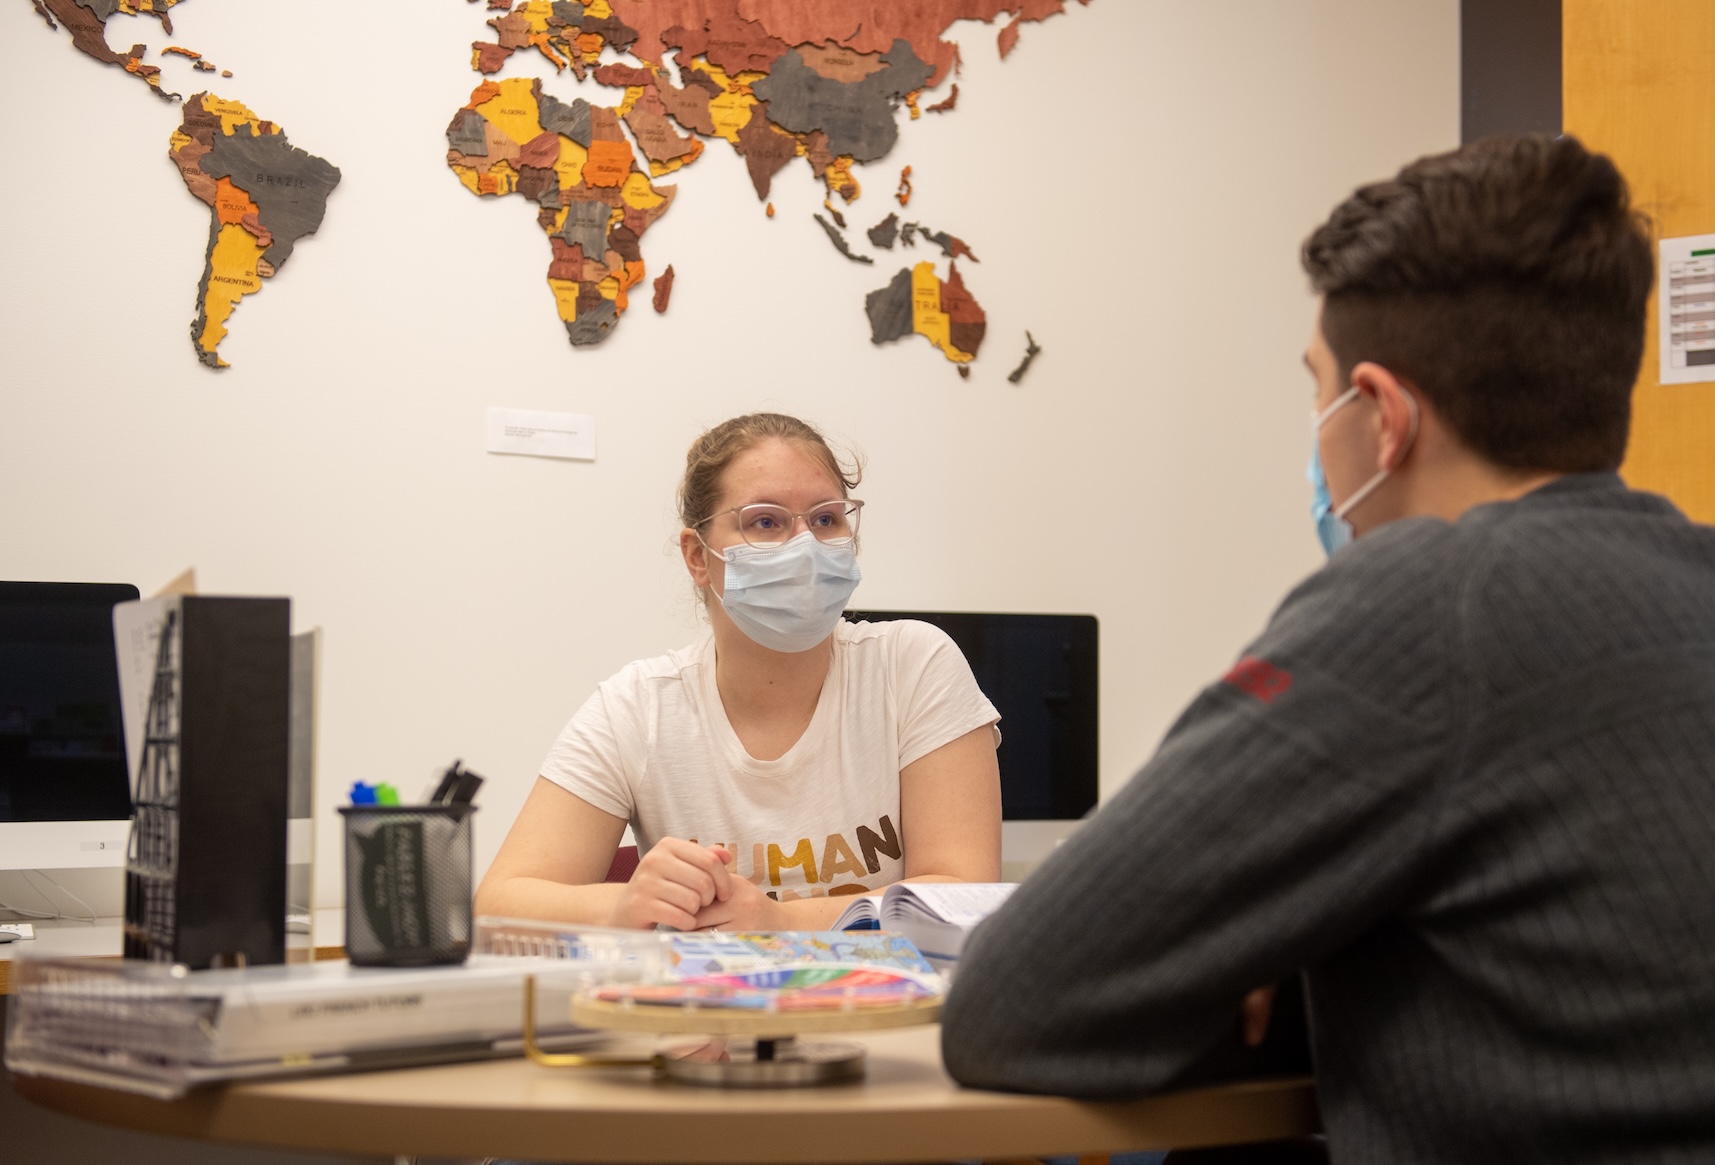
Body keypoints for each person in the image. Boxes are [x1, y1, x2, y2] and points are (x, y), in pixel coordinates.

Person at [941, 134, 1715, 1163]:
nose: (1315, 428)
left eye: (1316, 390)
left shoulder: (1425, 601)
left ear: (1381, 416)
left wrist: (1245, 950)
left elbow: (1010, 1003)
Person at [475, 412, 1002, 930]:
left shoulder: (911, 665)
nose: (805, 546)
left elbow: (965, 891)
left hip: (890, 1009)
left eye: (825, 519)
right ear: (697, 556)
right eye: (766, 522)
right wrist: (621, 907)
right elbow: (500, 903)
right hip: (707, 1012)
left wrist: (780, 921)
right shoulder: (638, 707)